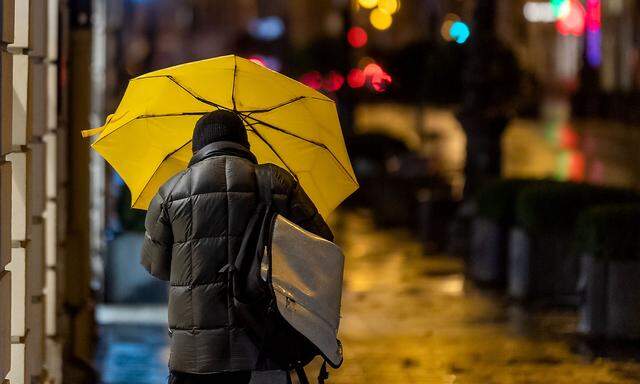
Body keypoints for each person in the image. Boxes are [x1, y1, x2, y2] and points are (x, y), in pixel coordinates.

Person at [140, 110, 333, 384]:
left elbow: (155, 265)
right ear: (245, 143)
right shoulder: (277, 183)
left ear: (196, 147)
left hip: (194, 357)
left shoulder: (170, 192)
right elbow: (321, 245)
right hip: (263, 347)